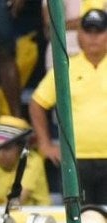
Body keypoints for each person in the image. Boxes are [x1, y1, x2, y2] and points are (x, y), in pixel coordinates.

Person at [30, 8, 107, 205]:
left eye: (99, 31)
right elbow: (37, 103)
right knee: (77, 220)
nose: (93, 38)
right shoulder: (65, 67)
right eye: (88, 31)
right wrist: (45, 144)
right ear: (78, 35)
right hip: (75, 159)